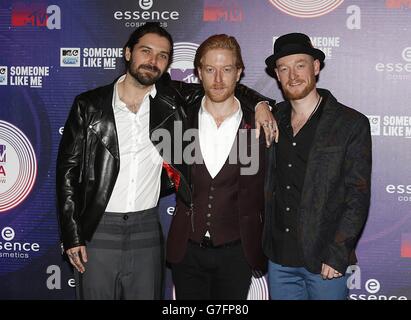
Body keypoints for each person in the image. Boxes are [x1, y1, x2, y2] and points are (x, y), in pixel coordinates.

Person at [56, 23, 276, 300]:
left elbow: (224, 89)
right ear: (127, 53)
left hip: (147, 229)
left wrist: (260, 104)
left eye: (162, 56)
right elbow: (67, 174)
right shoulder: (88, 105)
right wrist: (72, 234)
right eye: (146, 51)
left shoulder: (171, 101)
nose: (152, 60)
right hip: (98, 227)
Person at [263, 32, 372, 300]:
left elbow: (357, 196)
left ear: (315, 67)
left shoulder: (350, 123)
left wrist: (337, 254)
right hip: (278, 260)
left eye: (300, 65)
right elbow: (222, 93)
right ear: (276, 75)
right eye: (283, 68)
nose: (292, 75)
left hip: (325, 260)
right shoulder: (272, 117)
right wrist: (259, 103)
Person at [167, 34, 271, 300]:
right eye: (210, 69)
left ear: (239, 73)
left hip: (237, 253)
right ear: (199, 72)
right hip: (186, 250)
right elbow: (144, 82)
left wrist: (260, 104)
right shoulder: (181, 117)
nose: (218, 79)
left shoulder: (260, 124)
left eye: (226, 69)